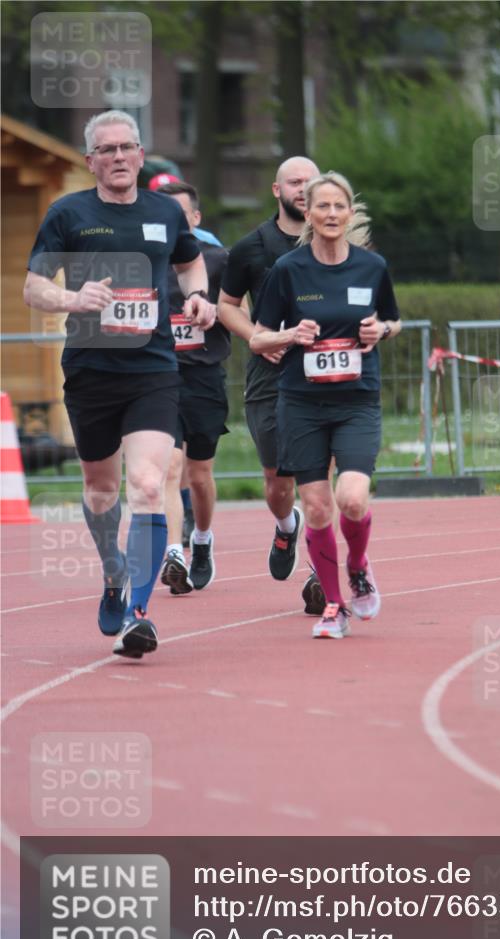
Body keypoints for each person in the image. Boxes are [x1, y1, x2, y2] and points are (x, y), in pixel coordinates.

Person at [23, 110, 215, 658]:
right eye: (106, 150)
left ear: (139, 153)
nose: (118, 157)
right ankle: (113, 574)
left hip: (154, 369)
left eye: (127, 147)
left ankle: (138, 612)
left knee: (151, 484)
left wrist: (198, 297)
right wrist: (72, 299)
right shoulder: (68, 214)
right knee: (102, 490)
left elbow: (190, 265)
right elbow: (34, 287)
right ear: (91, 162)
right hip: (91, 370)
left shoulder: (163, 212)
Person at [250, 171, 401, 639]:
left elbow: (393, 320)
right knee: (316, 510)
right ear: (308, 215)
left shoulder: (371, 267)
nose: (331, 214)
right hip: (301, 403)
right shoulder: (288, 271)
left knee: (351, 499)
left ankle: (358, 565)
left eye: (340, 207)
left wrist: (383, 331)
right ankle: (333, 605)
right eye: (323, 207)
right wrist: (291, 335)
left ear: (349, 213)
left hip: (356, 401)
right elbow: (258, 338)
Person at [219, 156, 326, 616]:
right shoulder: (252, 247)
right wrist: (257, 339)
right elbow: (226, 305)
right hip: (272, 374)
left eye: (311, 182)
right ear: (276, 190)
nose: (304, 189)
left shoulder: (337, 241)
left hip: (325, 372)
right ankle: (286, 527)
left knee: (321, 477)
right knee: (277, 480)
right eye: (295, 182)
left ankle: (322, 573)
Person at [155, 181, 230, 594]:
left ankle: (201, 539)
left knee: (199, 475)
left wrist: (218, 312)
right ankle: (173, 553)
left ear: (196, 219)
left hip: (204, 378)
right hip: (158, 379)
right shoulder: (144, 262)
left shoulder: (218, 261)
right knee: (169, 466)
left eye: (180, 217)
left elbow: (239, 313)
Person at [148, 174, 223, 248]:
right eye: (164, 213)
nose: (172, 219)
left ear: (196, 217)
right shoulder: (144, 241)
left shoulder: (208, 242)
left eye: (181, 214)